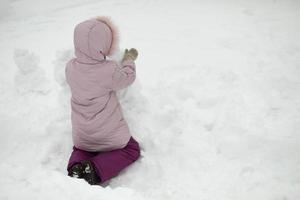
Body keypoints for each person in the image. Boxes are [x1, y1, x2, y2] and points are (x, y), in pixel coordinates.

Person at [65, 16, 140, 185]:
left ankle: (75, 167)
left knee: (81, 148)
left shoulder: (70, 67)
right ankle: (95, 169)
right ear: (104, 45)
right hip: (109, 134)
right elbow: (127, 77)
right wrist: (128, 59)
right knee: (131, 149)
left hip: (82, 133)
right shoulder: (109, 70)